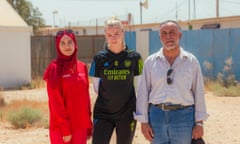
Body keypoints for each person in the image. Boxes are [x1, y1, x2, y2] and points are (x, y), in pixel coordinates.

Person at [134, 20, 209, 144]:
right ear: (160, 37)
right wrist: (144, 122)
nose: (168, 36)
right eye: (164, 33)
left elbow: (199, 92)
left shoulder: (191, 61)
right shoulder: (150, 62)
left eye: (172, 32)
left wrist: (199, 123)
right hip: (156, 117)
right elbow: (143, 93)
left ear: (179, 35)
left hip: (184, 118)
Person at [89, 16, 143, 144]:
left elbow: (140, 87)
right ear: (105, 35)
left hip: (127, 114)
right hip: (103, 113)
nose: (114, 38)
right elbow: (96, 88)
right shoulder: (99, 58)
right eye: (110, 34)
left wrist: (140, 111)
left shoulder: (135, 57)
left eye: (117, 34)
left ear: (123, 32)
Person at [43, 29, 92, 144]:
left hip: (80, 126)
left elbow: (86, 99)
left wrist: (88, 124)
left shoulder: (82, 67)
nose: (67, 46)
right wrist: (65, 129)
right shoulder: (54, 68)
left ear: (75, 43)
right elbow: (55, 103)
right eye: (63, 43)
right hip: (61, 129)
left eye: (70, 42)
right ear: (57, 46)